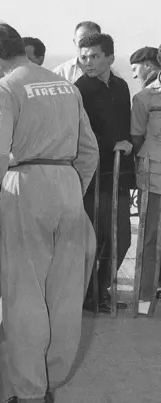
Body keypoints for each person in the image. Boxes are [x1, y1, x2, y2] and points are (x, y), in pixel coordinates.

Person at [0, 23, 99, 403]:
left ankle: (29, 397)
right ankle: (50, 383)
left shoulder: (3, 89)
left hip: (25, 186)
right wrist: (72, 189)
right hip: (67, 184)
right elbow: (89, 149)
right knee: (63, 294)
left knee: (24, 293)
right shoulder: (66, 86)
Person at [75, 33, 134, 312]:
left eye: (94, 56)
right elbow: (78, 134)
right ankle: (88, 295)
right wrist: (113, 145)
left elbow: (126, 127)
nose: (88, 62)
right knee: (92, 240)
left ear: (110, 57)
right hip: (91, 177)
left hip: (119, 175)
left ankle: (100, 289)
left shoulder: (122, 86)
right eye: (84, 56)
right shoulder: (79, 90)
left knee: (121, 238)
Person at [130, 48, 161, 306]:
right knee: (150, 236)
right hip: (155, 176)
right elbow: (137, 137)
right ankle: (145, 295)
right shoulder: (145, 98)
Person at [53, 21, 120, 83]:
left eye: (93, 41)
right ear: (74, 41)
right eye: (82, 40)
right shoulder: (60, 74)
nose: (87, 44)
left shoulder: (114, 77)